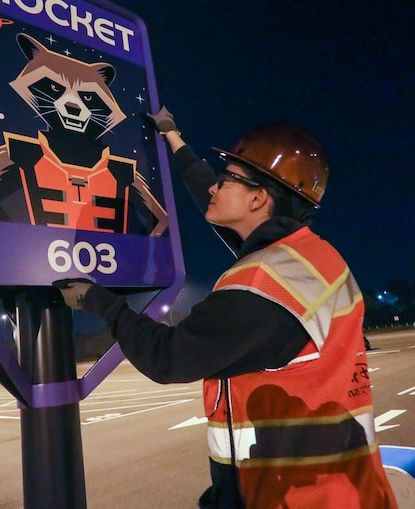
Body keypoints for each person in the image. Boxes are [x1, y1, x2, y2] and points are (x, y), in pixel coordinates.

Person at [55, 107, 397, 508]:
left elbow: (169, 359)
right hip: (348, 487)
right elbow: (211, 196)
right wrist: (174, 139)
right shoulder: (310, 258)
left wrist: (100, 302)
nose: (215, 188)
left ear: (258, 198)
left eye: (228, 179)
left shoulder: (260, 287)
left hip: (292, 495)